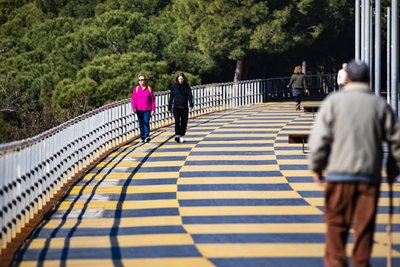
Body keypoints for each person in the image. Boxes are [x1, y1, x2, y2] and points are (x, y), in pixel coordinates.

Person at [309, 59, 400, 267]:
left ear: (347, 78)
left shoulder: (333, 102)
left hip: (338, 177)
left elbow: (319, 139)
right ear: (368, 79)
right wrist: (393, 169)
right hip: (369, 179)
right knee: (364, 230)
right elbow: (397, 141)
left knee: (335, 230)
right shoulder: (380, 105)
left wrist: (316, 167)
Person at [168, 72, 194, 143]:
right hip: (176, 107)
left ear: (184, 79)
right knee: (177, 121)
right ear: (177, 79)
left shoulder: (187, 86)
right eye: (179, 79)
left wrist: (191, 103)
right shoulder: (174, 86)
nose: (181, 80)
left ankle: (181, 135)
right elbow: (171, 97)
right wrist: (169, 106)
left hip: (184, 107)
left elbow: (190, 95)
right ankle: (177, 135)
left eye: (182, 79)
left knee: (184, 122)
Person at [131, 74, 156, 143]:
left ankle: (147, 136)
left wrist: (153, 109)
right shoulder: (136, 89)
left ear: (145, 80)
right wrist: (133, 107)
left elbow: (153, 100)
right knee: (141, 123)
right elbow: (133, 99)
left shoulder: (149, 89)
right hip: (139, 109)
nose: (140, 81)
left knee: (146, 122)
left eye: (142, 80)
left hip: (147, 109)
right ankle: (142, 137)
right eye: (139, 80)